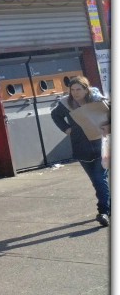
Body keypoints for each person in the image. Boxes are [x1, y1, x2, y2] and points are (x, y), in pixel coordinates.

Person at [50, 75, 110, 227]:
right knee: (96, 182)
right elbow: (55, 115)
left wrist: (109, 126)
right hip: (81, 147)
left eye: (78, 89)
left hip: (100, 144)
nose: (75, 93)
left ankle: (103, 212)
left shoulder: (97, 99)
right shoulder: (65, 103)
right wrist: (66, 128)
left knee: (99, 178)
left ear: (86, 89)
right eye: (72, 90)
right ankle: (109, 206)